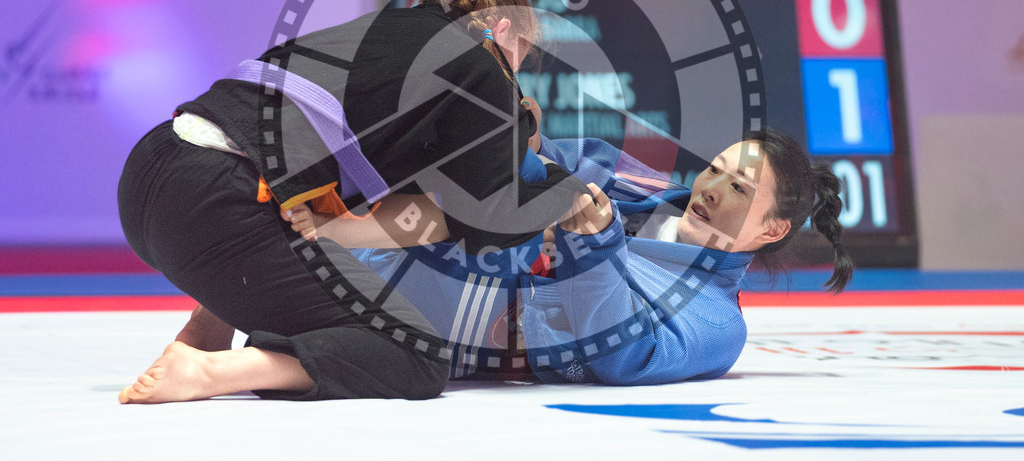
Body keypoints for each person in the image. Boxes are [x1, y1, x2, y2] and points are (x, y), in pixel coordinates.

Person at [116, 0, 588, 404]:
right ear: (500, 29)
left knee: (291, 217)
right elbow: (492, 217)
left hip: (152, 174)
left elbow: (422, 210)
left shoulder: (383, 36)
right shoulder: (481, 58)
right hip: (217, 202)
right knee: (418, 353)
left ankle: (204, 334)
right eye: (520, 59)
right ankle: (211, 372)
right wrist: (565, 190)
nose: (516, 80)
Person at [338, 127, 852, 384]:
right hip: (376, 248)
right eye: (715, 169)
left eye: (738, 188)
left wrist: (591, 245)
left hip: (432, 321)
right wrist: (524, 135)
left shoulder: (718, 322)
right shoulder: (651, 192)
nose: (712, 189)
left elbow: (624, 355)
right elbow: (571, 157)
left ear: (774, 228)